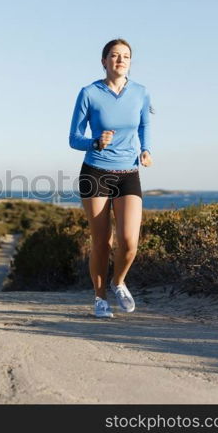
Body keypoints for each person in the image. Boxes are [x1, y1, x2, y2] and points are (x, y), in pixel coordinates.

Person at [68, 38, 153, 318]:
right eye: (114, 56)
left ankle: (118, 282)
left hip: (128, 173)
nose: (120, 60)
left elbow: (145, 124)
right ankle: (100, 298)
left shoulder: (140, 93)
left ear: (130, 62)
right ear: (104, 61)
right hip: (96, 172)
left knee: (129, 242)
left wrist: (147, 149)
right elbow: (74, 138)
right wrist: (94, 142)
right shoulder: (89, 93)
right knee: (102, 241)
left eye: (125, 56)